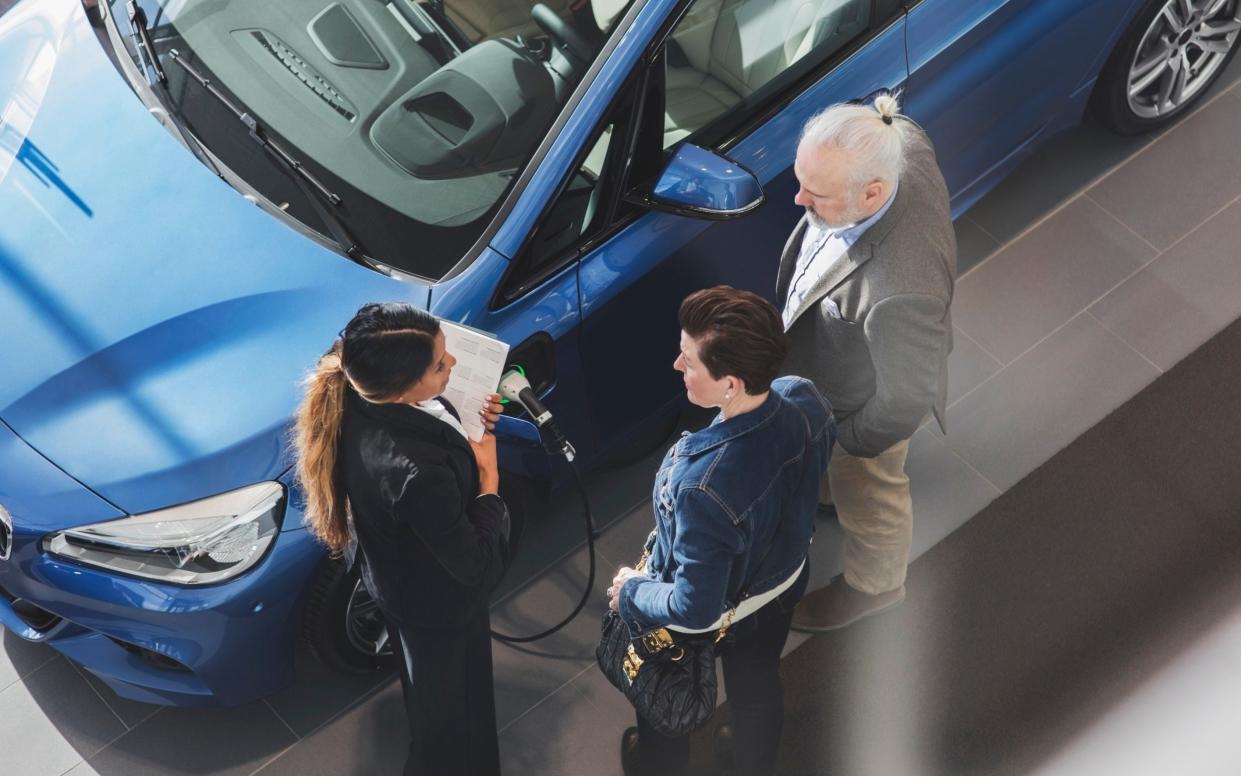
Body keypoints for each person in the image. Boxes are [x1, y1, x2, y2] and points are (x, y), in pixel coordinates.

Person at [609, 286, 835, 776]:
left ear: (730, 383)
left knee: (661, 702)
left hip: (716, 611)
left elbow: (695, 608)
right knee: (757, 687)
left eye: (689, 361)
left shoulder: (702, 489)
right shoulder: (802, 396)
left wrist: (632, 593)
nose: (677, 365)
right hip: (780, 587)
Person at [293, 302, 511, 776]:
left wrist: (465, 418)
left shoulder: (359, 392)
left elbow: (430, 422)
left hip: (401, 583)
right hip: (438, 603)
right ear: (404, 386)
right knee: (450, 725)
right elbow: (475, 563)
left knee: (434, 697)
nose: (451, 364)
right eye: (438, 365)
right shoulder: (416, 474)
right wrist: (489, 479)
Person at [778, 94, 956, 632]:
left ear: (872, 192)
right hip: (834, 370)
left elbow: (903, 399)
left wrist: (851, 440)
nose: (797, 198)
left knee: (872, 495)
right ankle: (831, 493)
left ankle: (875, 587)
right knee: (839, 476)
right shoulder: (898, 140)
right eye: (801, 179)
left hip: (861, 405)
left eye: (817, 194)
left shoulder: (901, 289)